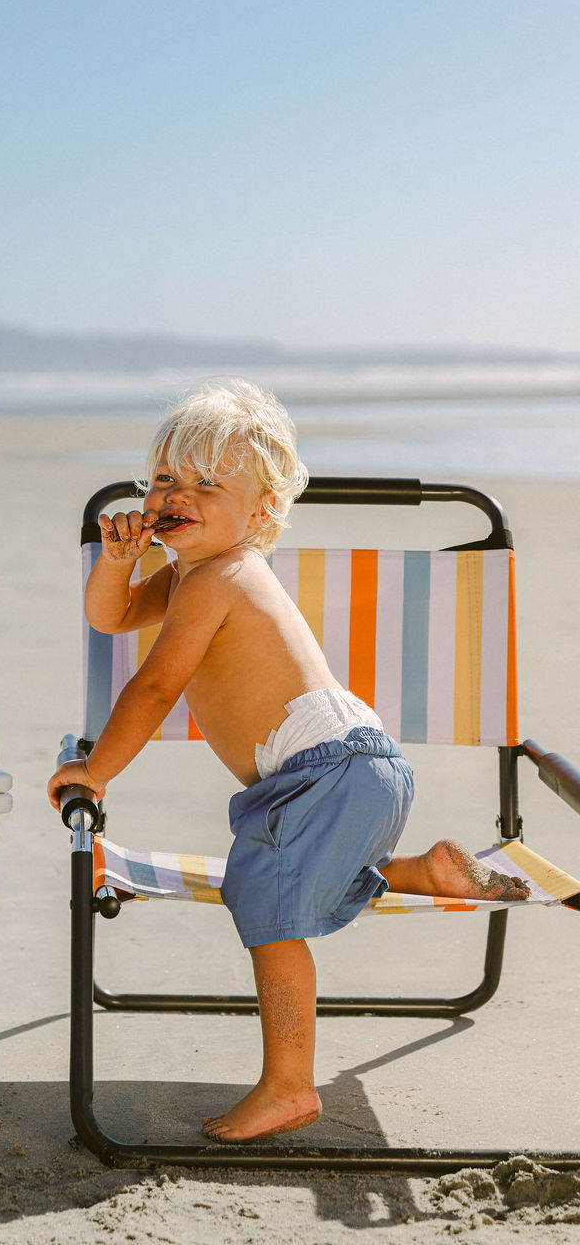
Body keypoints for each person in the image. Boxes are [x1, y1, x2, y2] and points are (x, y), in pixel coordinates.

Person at [47, 379, 529, 1144]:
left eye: (210, 482)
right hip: (351, 771)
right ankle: (421, 870)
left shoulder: (221, 577)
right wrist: (117, 560)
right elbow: (110, 615)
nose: (181, 494)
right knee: (299, 871)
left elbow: (155, 684)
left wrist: (95, 772)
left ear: (263, 510)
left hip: (326, 771)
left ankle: (290, 1083)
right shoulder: (184, 576)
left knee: (265, 897)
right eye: (167, 478)